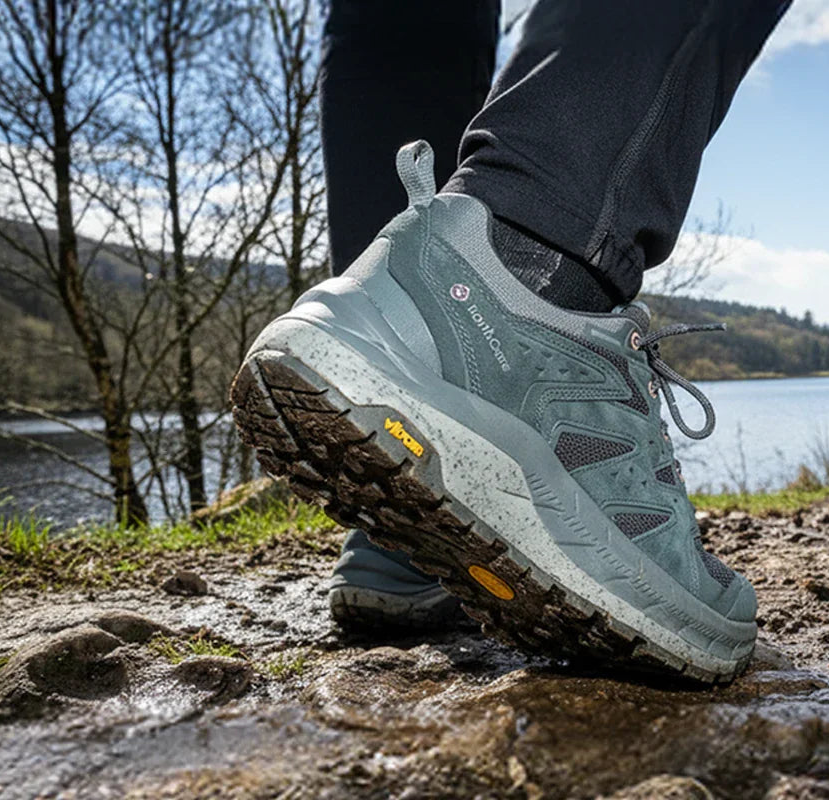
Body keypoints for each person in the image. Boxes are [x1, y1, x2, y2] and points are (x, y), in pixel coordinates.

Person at [231, 0, 792, 683]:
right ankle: (536, 269)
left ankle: (415, 382)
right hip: (527, 269)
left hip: (396, 303)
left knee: (405, 15)